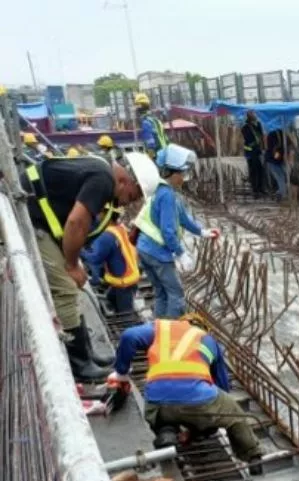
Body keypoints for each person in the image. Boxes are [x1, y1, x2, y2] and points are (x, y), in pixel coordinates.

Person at [22, 153, 161, 381]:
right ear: (126, 181)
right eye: (132, 196)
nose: (128, 202)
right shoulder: (103, 179)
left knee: (71, 288)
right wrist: (71, 264)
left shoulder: (100, 169)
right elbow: (77, 222)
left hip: (39, 218)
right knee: (65, 289)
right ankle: (81, 365)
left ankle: (87, 354)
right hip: (32, 219)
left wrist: (74, 261)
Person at [108, 313, 263, 470]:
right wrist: (212, 422)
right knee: (233, 413)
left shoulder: (162, 328)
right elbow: (222, 386)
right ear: (204, 328)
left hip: (158, 404)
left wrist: (121, 373)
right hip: (199, 402)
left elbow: (128, 336)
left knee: (166, 405)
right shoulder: (208, 339)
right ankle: (253, 458)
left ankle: (166, 431)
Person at [134, 144, 220, 318]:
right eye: (183, 174)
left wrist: (203, 232)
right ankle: (171, 335)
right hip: (157, 252)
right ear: (173, 174)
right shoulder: (167, 196)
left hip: (145, 249)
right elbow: (168, 231)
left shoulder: (162, 190)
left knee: (161, 293)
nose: (184, 179)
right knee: (177, 295)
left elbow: (183, 218)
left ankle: (159, 329)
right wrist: (181, 253)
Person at [80, 211, 140, 314]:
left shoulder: (107, 237)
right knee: (110, 299)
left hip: (123, 284)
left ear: (105, 214)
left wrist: (78, 250)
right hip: (128, 279)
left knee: (125, 315)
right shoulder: (120, 229)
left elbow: (94, 259)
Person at [134, 93, 168, 159]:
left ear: (139, 108)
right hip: (165, 154)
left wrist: (150, 159)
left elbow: (150, 144)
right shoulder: (157, 120)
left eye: (136, 107)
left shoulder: (145, 122)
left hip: (157, 156)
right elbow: (166, 139)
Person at [240, 110, 266, 198]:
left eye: (254, 113)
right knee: (254, 171)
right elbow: (248, 140)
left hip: (258, 151)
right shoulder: (245, 128)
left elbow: (261, 136)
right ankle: (255, 190)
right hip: (251, 153)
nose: (255, 115)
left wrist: (262, 147)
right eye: (253, 113)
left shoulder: (258, 125)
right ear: (249, 116)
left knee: (261, 170)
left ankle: (261, 188)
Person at [264, 127, 288, 201]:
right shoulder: (275, 134)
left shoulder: (278, 133)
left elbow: (276, 148)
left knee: (281, 177)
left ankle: (280, 194)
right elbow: (275, 149)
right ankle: (280, 194)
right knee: (280, 177)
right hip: (274, 160)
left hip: (275, 160)